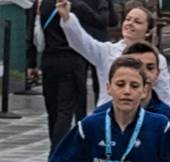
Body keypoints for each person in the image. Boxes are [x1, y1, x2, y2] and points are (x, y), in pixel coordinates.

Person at [57, 0, 170, 107]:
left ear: (148, 31)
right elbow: (81, 41)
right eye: (128, 19)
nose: (130, 23)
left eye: (137, 22)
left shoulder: (157, 59)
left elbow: (164, 94)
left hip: (144, 117)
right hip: (108, 115)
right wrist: (67, 17)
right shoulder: (106, 51)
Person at [29, 0, 111, 146]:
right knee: (65, 111)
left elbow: (31, 33)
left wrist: (32, 64)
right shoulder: (76, 5)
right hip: (73, 61)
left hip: (49, 60)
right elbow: (102, 21)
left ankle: (54, 149)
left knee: (52, 111)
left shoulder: (41, 3)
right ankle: (57, 154)